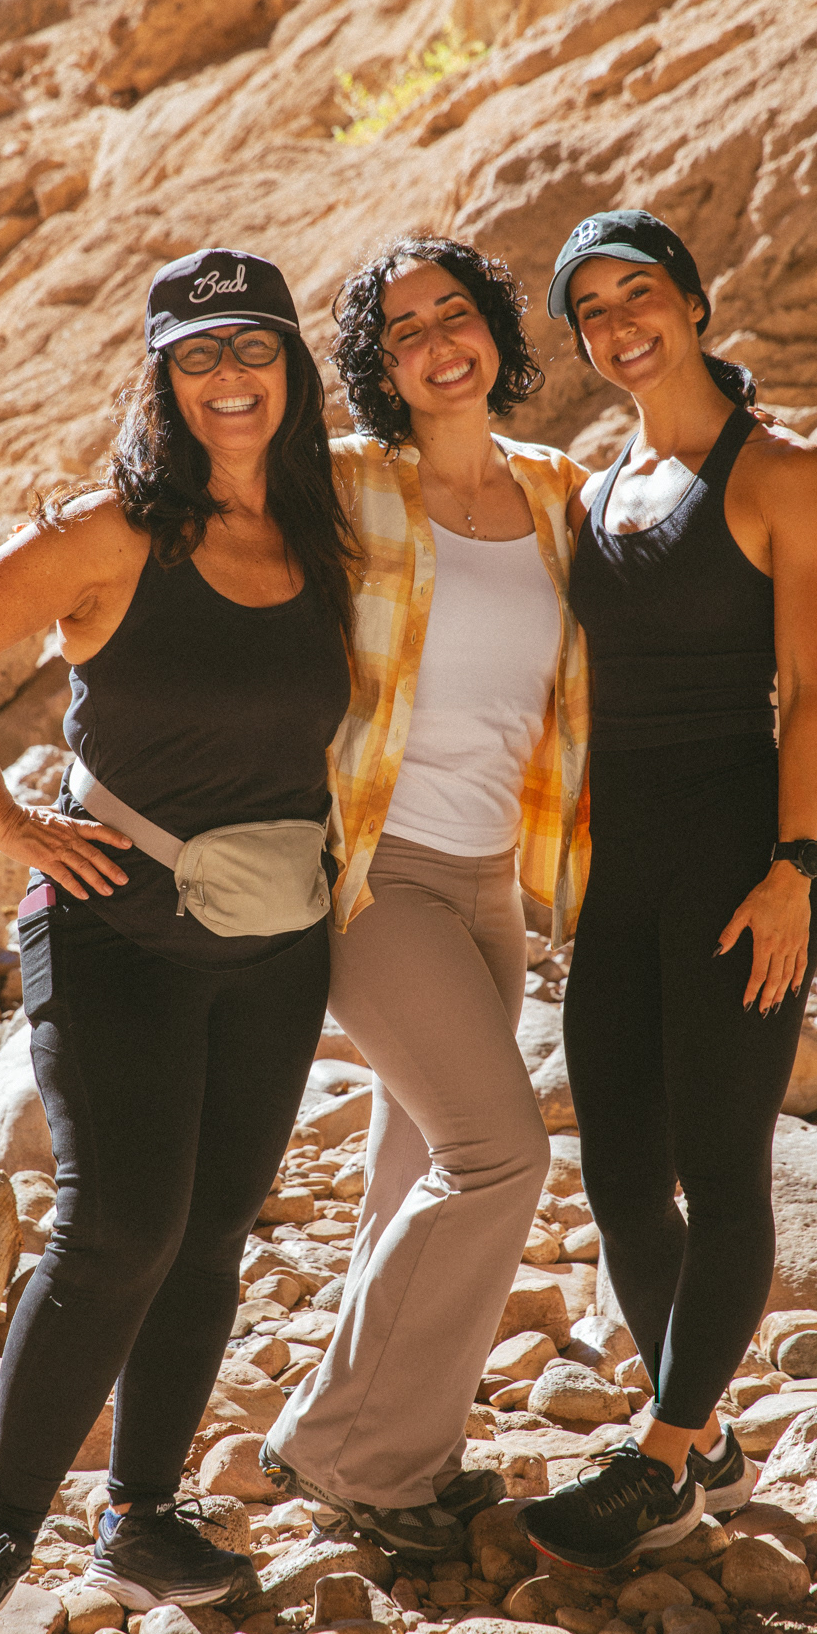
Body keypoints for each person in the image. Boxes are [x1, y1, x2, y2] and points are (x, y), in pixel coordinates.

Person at [0, 250, 354, 1634]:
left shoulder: (325, 532)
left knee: (211, 1231)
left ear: (290, 368)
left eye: (251, 349)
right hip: (114, 932)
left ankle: (143, 1517)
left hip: (276, 937)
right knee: (118, 1230)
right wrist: (9, 824)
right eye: (197, 356)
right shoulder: (113, 533)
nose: (228, 378)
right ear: (161, 380)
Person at [517, 210, 817, 1571]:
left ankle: (661, 1461)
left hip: (740, 861)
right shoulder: (597, 490)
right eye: (590, 310)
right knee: (613, 1170)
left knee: (718, 1168)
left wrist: (792, 867)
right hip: (623, 867)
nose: (618, 325)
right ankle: (703, 1431)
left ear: (695, 303)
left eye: (638, 292)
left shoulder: (784, 476)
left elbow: (813, 695)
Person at [260, 235, 593, 1557]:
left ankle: (405, 1444)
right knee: (498, 1155)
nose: (437, 343)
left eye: (455, 314)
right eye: (403, 331)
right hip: (373, 873)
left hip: (491, 880)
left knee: (413, 1165)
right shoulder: (345, 485)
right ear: (378, 368)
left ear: (494, 333)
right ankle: (343, 1446)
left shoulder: (561, 492)